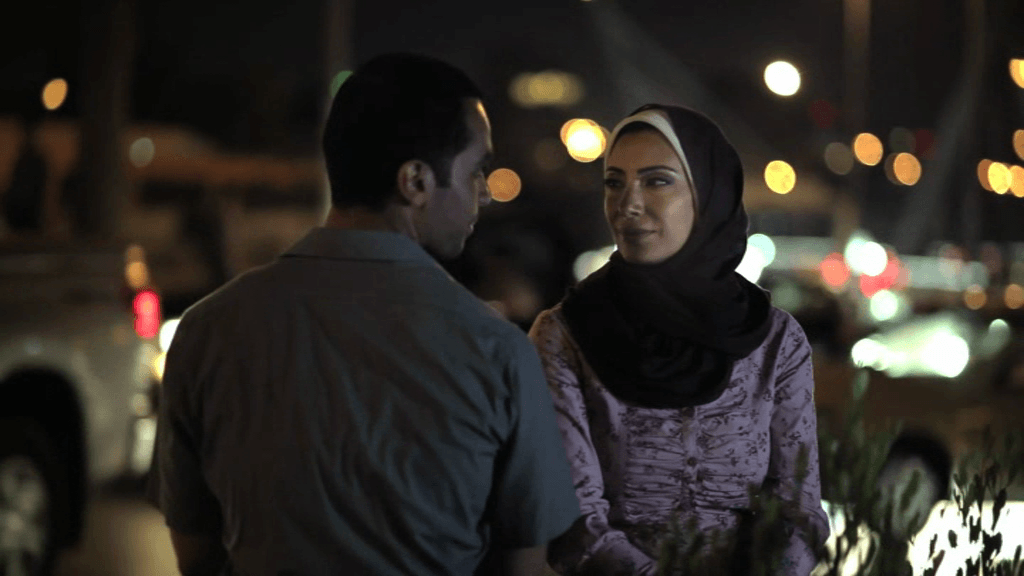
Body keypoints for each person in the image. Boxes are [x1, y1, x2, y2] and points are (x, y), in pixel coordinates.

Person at [150, 52, 580, 576]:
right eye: (476, 170)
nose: (484, 192)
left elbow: (195, 554)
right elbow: (523, 567)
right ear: (416, 182)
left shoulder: (205, 330)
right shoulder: (497, 351)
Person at [528, 104, 830, 575]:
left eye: (656, 181)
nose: (627, 203)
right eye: (614, 182)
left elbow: (800, 512)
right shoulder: (565, 336)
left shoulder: (774, 341)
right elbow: (574, 524)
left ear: (708, 195)